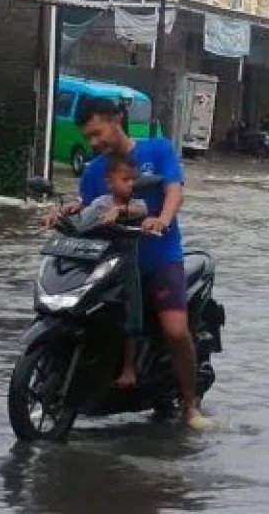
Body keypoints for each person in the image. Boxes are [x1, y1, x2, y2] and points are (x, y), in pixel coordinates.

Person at [46, 97, 213, 431]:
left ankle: (191, 406)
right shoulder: (95, 170)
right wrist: (65, 213)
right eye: (88, 138)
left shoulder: (157, 150)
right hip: (113, 261)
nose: (94, 143)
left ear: (116, 119)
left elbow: (173, 191)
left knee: (175, 330)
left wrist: (162, 219)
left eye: (97, 133)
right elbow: (90, 206)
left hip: (160, 256)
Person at [73, 153, 149, 389]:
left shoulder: (136, 204)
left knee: (131, 313)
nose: (130, 185)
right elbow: (82, 221)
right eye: (125, 180)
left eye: (133, 181)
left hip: (125, 268)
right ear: (109, 182)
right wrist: (60, 216)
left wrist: (121, 212)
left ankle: (129, 367)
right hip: (100, 266)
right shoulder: (100, 203)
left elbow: (140, 212)